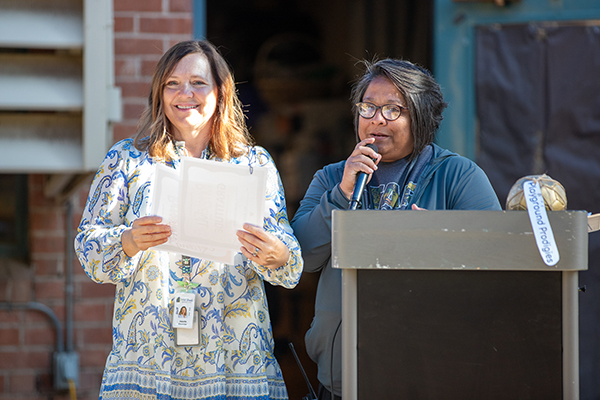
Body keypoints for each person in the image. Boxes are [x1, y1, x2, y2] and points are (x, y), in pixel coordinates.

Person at [75, 40, 303, 399]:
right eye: (172, 83)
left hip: (235, 366)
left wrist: (277, 254)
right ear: (159, 93)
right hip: (147, 364)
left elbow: (290, 265)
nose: (186, 93)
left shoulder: (253, 165)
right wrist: (128, 240)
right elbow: (88, 251)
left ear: (220, 92)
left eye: (198, 82)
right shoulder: (126, 161)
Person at [290, 58, 501, 399]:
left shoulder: (458, 176)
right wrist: (341, 195)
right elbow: (300, 256)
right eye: (369, 107)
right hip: (344, 378)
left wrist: (443, 241)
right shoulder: (331, 178)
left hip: (432, 374)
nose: (376, 119)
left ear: (420, 116)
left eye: (393, 109)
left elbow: (499, 267)